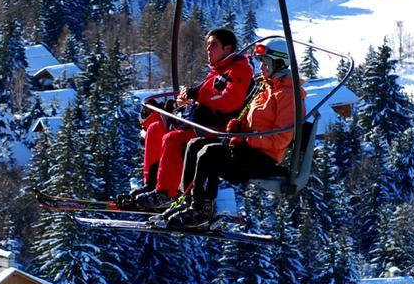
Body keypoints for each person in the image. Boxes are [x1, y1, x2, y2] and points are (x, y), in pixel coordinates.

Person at [157, 38, 305, 228]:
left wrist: (246, 140)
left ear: (279, 63)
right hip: (249, 150)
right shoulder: (265, 88)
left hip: (264, 158)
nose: (261, 68)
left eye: (265, 63)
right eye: (260, 62)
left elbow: (280, 139)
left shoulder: (289, 95)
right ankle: (188, 201)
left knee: (210, 153)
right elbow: (254, 122)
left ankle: (203, 209)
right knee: (196, 145)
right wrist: (238, 128)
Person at [122, 28, 253, 211]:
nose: (208, 49)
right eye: (207, 45)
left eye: (213, 45)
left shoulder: (238, 71)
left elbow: (229, 101)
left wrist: (198, 94)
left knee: (173, 139)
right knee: (156, 129)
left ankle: (167, 193)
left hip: (213, 128)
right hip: (198, 121)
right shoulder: (217, 71)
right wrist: (187, 101)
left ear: (227, 48)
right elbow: (207, 97)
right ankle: (152, 184)